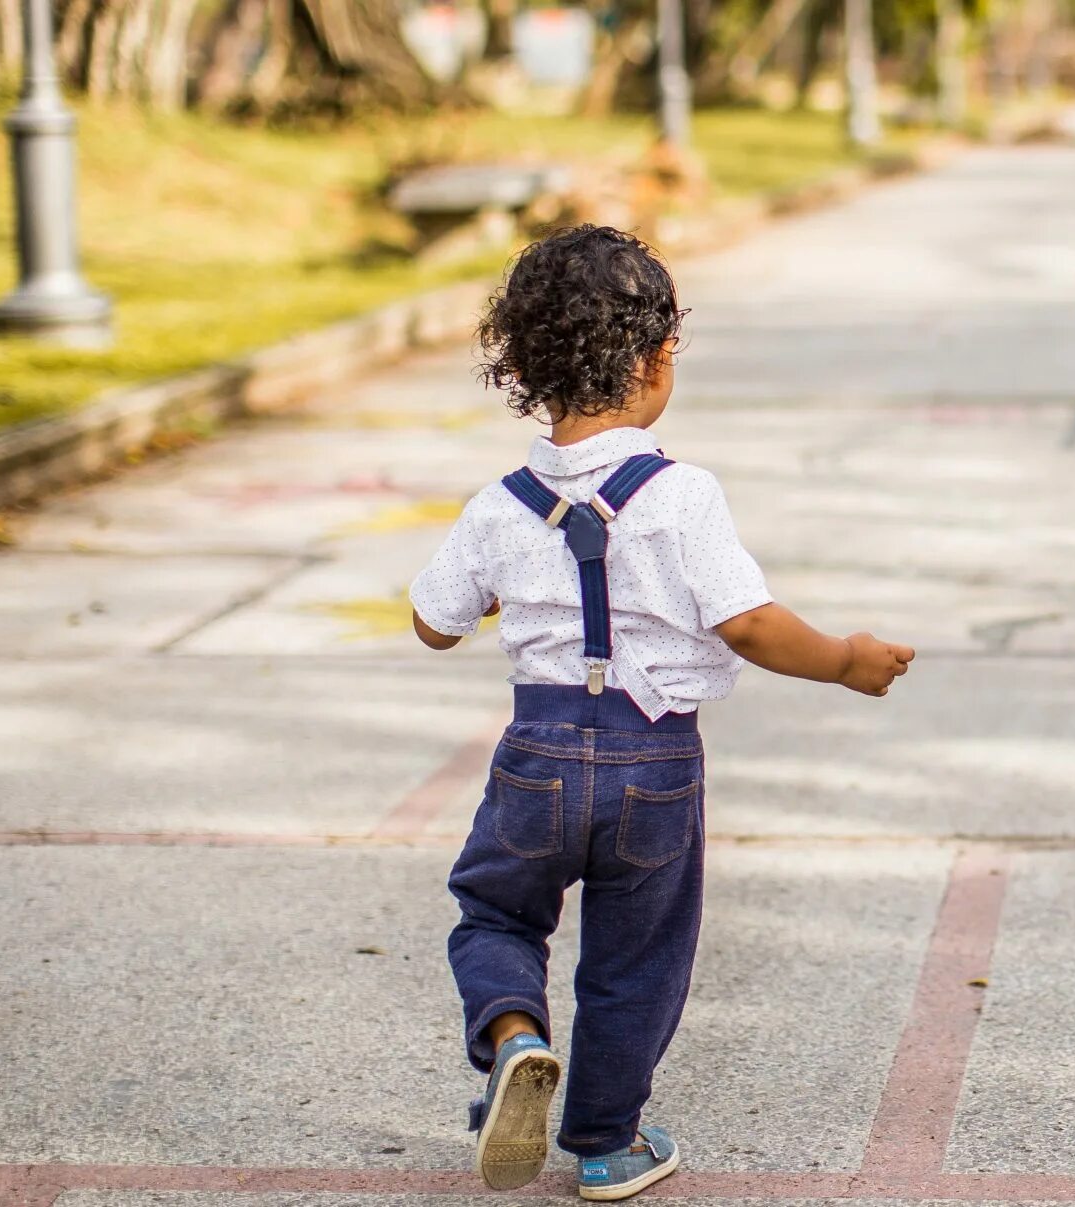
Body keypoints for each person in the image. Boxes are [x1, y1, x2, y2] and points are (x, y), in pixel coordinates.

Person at [407, 225, 914, 1201]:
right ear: (655, 357)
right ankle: (604, 1143)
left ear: (521, 366)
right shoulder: (681, 496)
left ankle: (515, 1033)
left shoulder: (498, 506)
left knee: (493, 912)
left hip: (535, 757)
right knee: (637, 959)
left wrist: (498, 595)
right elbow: (750, 622)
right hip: (655, 763)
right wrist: (844, 660)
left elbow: (433, 622)